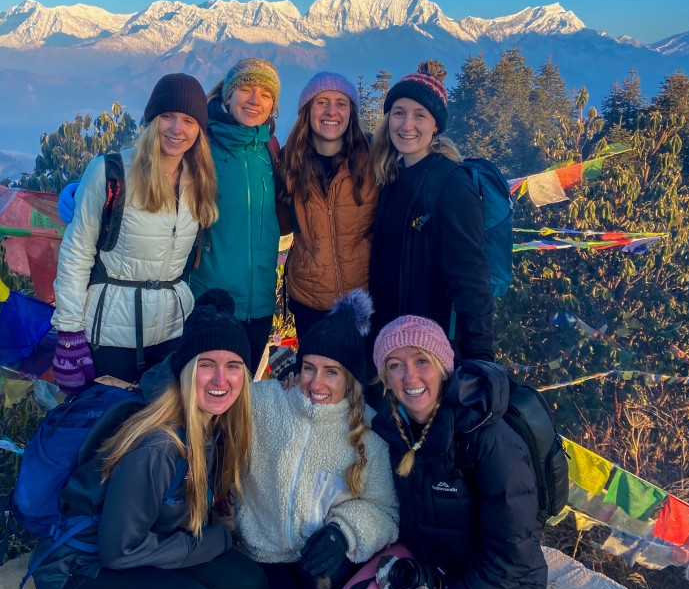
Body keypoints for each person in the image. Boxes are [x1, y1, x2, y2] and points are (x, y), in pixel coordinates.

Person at [29, 290, 268, 589]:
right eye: (207, 364)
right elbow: (119, 551)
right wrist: (212, 542)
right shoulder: (160, 446)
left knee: (247, 586)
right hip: (78, 577)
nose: (221, 378)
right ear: (184, 369)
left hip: (132, 548)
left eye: (234, 365)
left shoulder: (212, 422)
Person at [337, 315, 546, 589]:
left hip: (505, 586)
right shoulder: (394, 426)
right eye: (394, 366)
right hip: (429, 560)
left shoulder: (490, 441)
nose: (408, 376)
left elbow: (511, 555)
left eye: (421, 361)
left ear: (443, 366)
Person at [236, 290, 399, 589]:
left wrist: (344, 529)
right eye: (309, 368)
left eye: (332, 372)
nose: (317, 383)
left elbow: (386, 510)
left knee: (323, 571)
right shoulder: (266, 403)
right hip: (268, 551)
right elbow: (215, 397)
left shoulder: (368, 439)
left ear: (351, 378)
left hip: (323, 561)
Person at [51, 73, 217, 389]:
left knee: (159, 433)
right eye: (167, 116)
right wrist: (69, 334)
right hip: (110, 334)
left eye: (188, 120)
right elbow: (76, 253)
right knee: (107, 429)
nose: (176, 129)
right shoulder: (110, 173)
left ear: (199, 130)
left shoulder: (201, 182)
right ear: (152, 120)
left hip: (172, 333)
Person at [368, 70, 494, 362]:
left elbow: (471, 276)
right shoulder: (391, 176)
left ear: (436, 125)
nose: (407, 125)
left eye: (420, 115)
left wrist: (480, 356)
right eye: (399, 113)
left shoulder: (451, 182)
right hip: (388, 341)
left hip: (431, 349)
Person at [189, 57, 282, 373]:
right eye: (246, 89)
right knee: (205, 401)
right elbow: (149, 171)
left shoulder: (270, 150)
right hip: (211, 301)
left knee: (241, 399)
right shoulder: (201, 146)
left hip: (259, 306)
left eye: (266, 94)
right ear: (228, 96)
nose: (255, 100)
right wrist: (85, 187)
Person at [279, 72, 378, 343]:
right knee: (317, 383)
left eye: (341, 103)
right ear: (307, 110)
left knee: (362, 383)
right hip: (309, 300)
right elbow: (279, 223)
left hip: (365, 299)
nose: (331, 111)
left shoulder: (373, 161)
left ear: (351, 113)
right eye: (321, 102)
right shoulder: (288, 163)